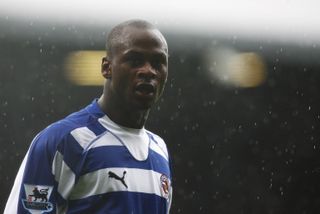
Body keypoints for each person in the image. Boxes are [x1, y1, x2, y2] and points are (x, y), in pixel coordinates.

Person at [5, 19, 172, 214]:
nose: (148, 71)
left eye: (158, 63)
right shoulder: (62, 141)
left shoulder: (160, 150)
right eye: (135, 61)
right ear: (106, 67)